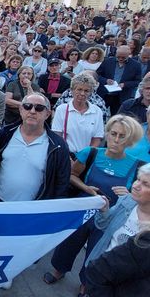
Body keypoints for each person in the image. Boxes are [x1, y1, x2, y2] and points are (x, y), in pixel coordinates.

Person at [44, 116, 144, 295]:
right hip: (84, 208)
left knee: (97, 251)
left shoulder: (137, 165)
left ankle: (86, 282)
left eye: (122, 136)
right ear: (107, 133)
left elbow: (139, 194)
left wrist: (129, 195)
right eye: (113, 133)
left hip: (111, 215)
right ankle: (59, 269)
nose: (116, 139)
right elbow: (72, 175)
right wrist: (86, 188)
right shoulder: (90, 153)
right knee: (69, 242)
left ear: (130, 140)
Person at [0, 92, 71, 201]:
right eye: (27, 106)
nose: (32, 111)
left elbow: (62, 182)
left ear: (47, 114)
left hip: (34, 210)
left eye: (39, 108)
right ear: (21, 110)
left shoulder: (58, 145)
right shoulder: (5, 134)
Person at [86, 168, 150, 297]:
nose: (136, 186)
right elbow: (102, 225)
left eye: (146, 184)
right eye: (138, 179)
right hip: (101, 270)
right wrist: (104, 210)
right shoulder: (127, 201)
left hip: (126, 287)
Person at [51, 73, 104, 156]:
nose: (82, 93)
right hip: (65, 155)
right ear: (72, 90)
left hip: (86, 157)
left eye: (86, 91)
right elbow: (57, 136)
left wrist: (85, 157)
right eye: (79, 89)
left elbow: (97, 138)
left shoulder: (97, 111)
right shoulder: (61, 109)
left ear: (91, 93)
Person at [97, 45, 142, 115]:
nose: (120, 59)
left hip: (121, 96)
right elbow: (97, 75)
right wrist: (106, 80)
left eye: (123, 57)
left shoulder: (136, 65)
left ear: (128, 55)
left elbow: (138, 81)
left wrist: (125, 84)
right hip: (105, 94)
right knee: (99, 114)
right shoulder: (108, 61)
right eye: (118, 57)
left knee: (116, 117)